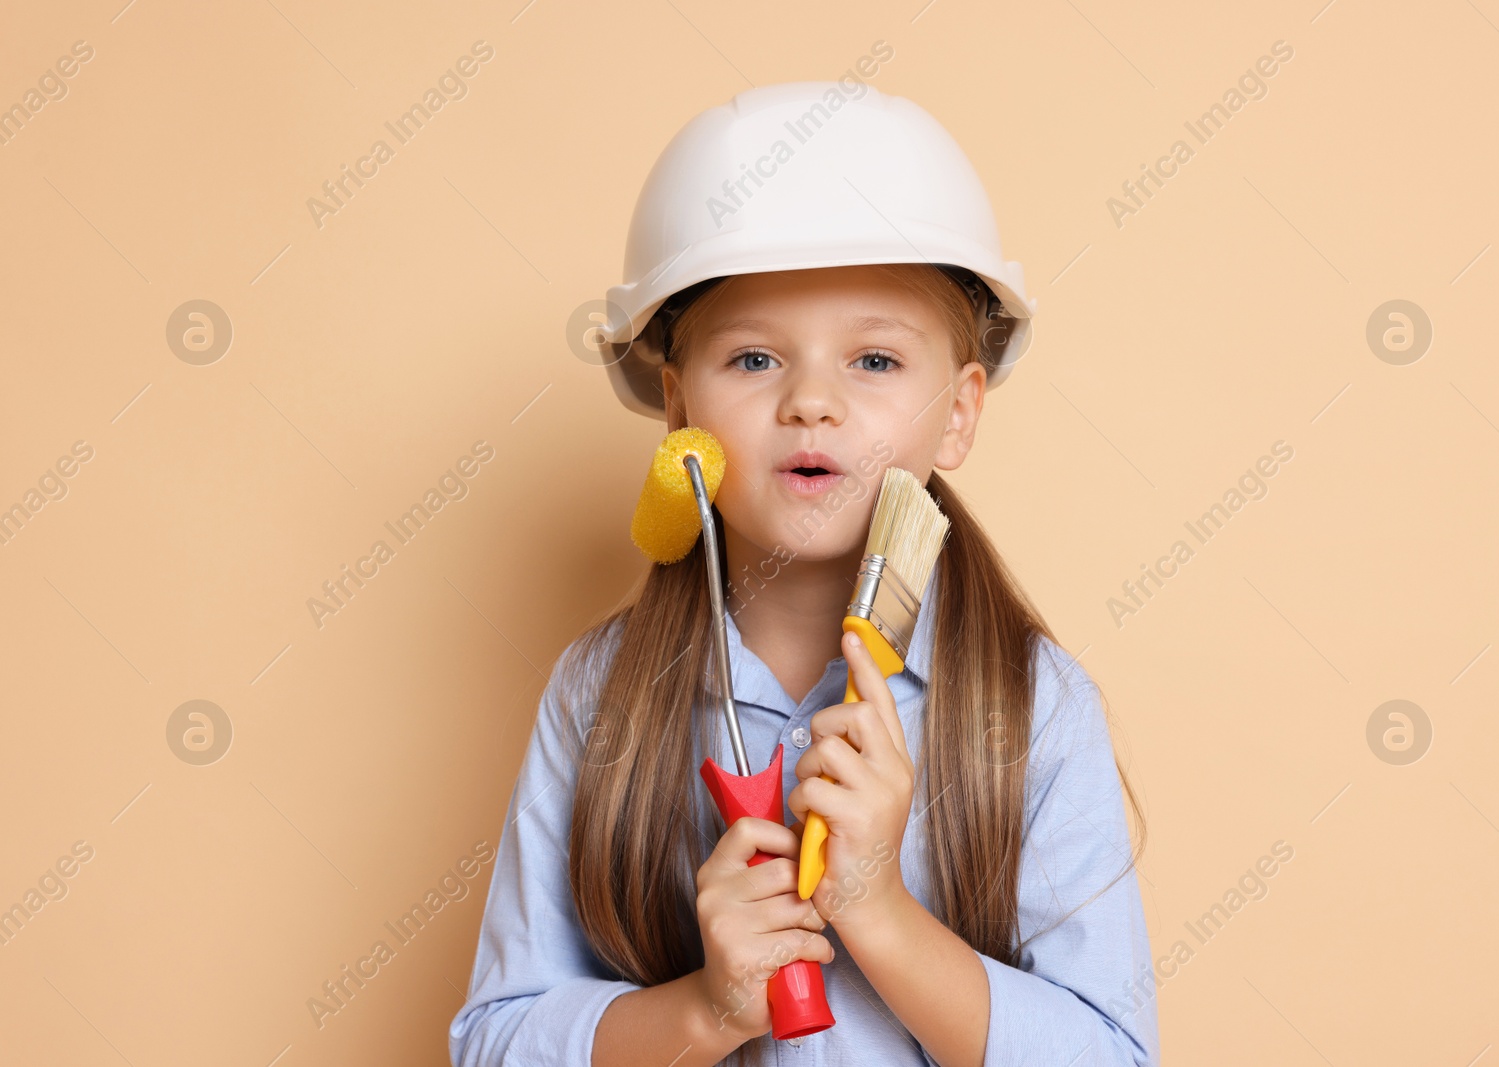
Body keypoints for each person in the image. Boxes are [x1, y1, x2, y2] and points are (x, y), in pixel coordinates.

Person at [449, 81, 1158, 1067]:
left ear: (958, 411)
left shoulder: (1035, 708)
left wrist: (878, 910)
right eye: (751, 359)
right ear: (674, 406)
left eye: (872, 360)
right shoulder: (595, 694)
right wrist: (705, 1008)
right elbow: (496, 1042)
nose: (812, 401)